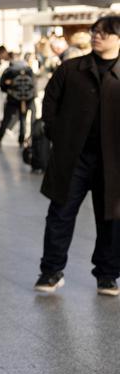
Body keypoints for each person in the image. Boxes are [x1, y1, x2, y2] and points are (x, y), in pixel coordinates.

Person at [34, 15, 120, 295]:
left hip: (114, 160)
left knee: (112, 218)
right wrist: (58, 134)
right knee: (60, 212)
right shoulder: (71, 69)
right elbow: (50, 104)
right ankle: (51, 271)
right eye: (95, 31)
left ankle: (107, 274)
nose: (97, 36)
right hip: (74, 157)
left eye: (105, 33)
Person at [0, 52, 35, 148]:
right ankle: (21, 141)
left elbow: (2, 85)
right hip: (25, 100)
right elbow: (33, 85)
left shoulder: (9, 71)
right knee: (23, 121)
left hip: (12, 99)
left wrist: (9, 89)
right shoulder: (29, 70)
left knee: (6, 120)